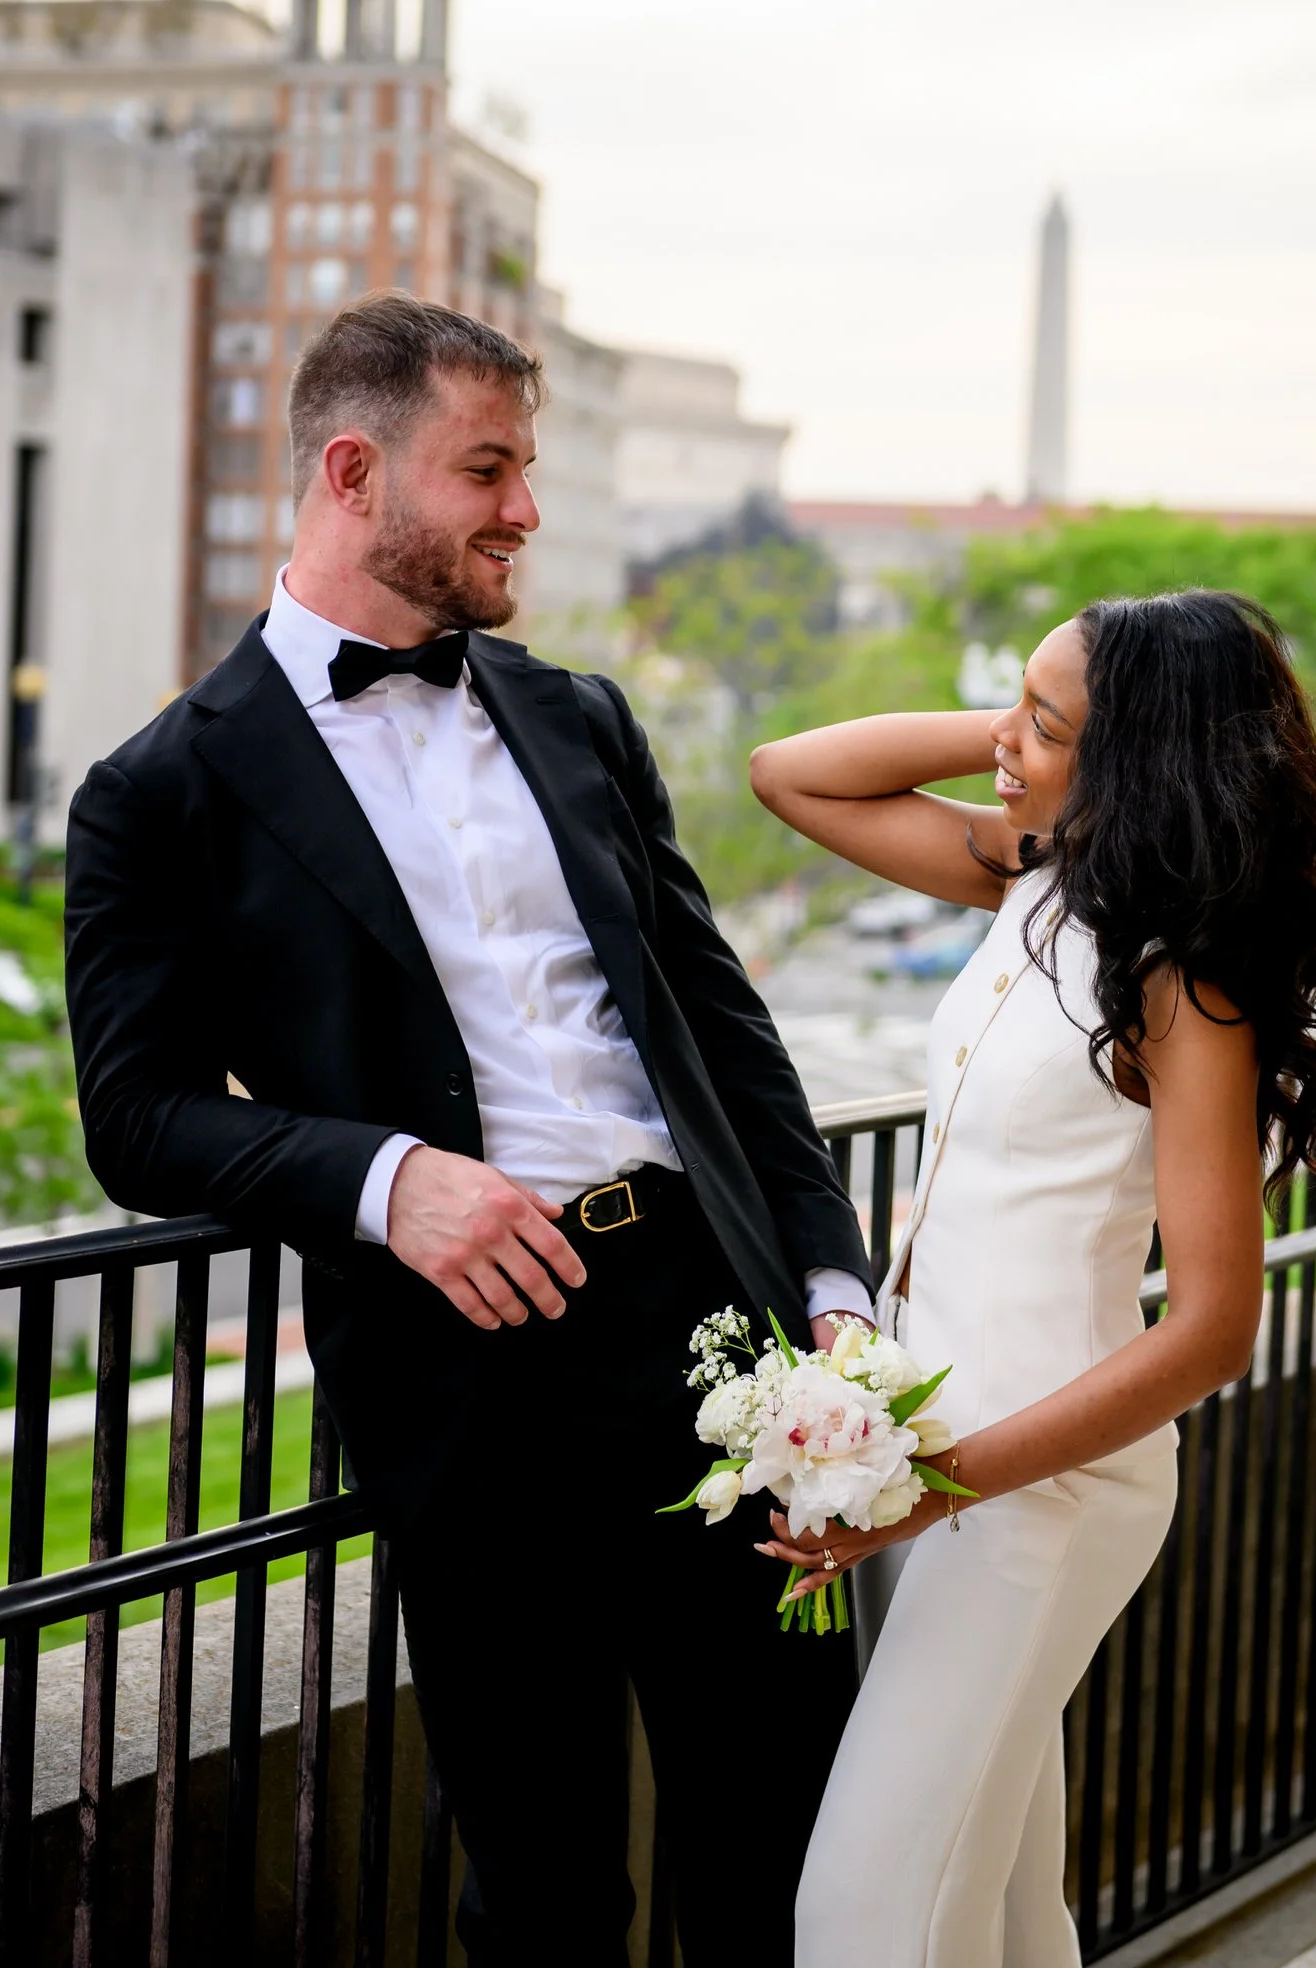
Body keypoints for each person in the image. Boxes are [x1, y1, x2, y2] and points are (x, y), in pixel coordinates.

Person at [64, 293, 873, 1967]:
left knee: (797, 1838)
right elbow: (136, 1116)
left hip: (718, 1340)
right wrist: (384, 1182)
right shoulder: (159, 792)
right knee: (547, 1883)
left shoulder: (581, 718)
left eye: (529, 468)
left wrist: (830, 1283)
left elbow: (722, 1028)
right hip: (468, 1378)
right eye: (487, 469)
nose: (526, 509)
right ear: (354, 472)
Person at [748, 591, 1316, 1968]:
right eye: (1014, 710)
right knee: (1005, 1906)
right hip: (922, 1461)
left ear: (1133, 756)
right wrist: (1039, 732)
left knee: (864, 1918)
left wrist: (944, 1486)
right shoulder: (1041, 876)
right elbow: (791, 774)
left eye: (1045, 725)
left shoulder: (1186, 989)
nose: (1004, 746)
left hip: (1038, 1492)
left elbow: (1213, 1332)